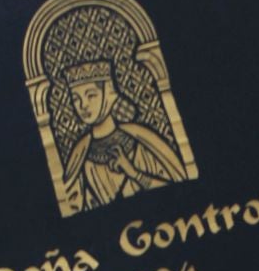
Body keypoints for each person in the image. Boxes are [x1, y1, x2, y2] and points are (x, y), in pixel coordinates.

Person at [62, 58, 188, 206]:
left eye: (91, 95)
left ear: (108, 94)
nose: (83, 105)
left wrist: (134, 173)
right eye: (75, 99)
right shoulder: (79, 157)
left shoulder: (140, 141)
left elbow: (179, 191)